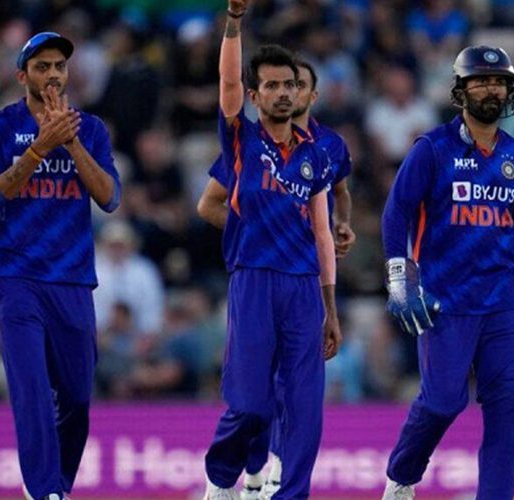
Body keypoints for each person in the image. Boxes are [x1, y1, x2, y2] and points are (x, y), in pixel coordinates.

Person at [379, 46, 514, 500]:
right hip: (446, 301)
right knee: (443, 402)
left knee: (509, 400)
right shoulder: (432, 148)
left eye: (498, 82)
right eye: (480, 81)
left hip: (501, 302)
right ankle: (401, 477)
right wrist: (400, 279)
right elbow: (396, 212)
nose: (490, 89)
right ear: (461, 91)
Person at [195, 1, 342, 498]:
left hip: (303, 289)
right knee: (250, 404)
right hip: (253, 280)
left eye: (290, 85)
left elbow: (323, 233)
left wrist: (330, 307)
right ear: (255, 96)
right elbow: (227, 83)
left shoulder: (316, 155)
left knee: (305, 408)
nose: (283, 92)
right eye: (273, 86)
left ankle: (291, 494)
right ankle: (221, 478)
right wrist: (234, 23)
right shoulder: (242, 140)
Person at [0, 31, 121, 500]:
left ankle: (58, 487)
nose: (53, 74)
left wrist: (69, 143)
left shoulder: (90, 129)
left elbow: (110, 198)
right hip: (15, 275)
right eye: (42, 67)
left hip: (72, 278)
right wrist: (39, 148)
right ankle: (42, 491)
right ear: (23, 76)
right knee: (32, 389)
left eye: (59, 66)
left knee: (76, 396)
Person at [235, 57, 357, 500]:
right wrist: (258, 233)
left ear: (312, 94)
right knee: (258, 389)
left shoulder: (330, 146)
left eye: (298, 85)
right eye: (282, 84)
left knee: (299, 390)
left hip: (308, 275)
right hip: (263, 273)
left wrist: (342, 224)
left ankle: (281, 472)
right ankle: (251, 469)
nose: (290, 92)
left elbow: (340, 194)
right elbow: (211, 202)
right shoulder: (253, 143)